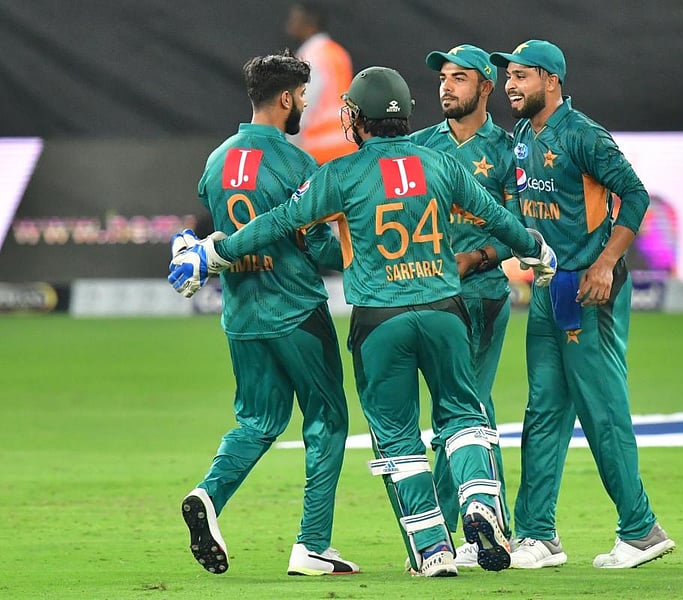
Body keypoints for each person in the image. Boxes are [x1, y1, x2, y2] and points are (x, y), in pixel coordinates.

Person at [168, 65, 558, 578]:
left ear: (358, 117)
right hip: (444, 312)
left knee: (398, 440)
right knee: (463, 417)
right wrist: (537, 249)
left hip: (379, 324)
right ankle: (480, 505)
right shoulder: (440, 163)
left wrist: (215, 253)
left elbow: (279, 223)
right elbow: (499, 218)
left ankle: (432, 552)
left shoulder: (339, 174)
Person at [488, 40, 676, 569]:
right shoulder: (523, 135)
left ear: (551, 80)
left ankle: (640, 529)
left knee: (601, 408)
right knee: (543, 409)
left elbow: (635, 195)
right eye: (508, 77)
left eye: (521, 76)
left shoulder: (584, 136)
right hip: (550, 285)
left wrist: (603, 264)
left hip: (588, 287)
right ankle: (538, 534)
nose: (511, 85)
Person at [177, 50, 359, 577]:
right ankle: (312, 545)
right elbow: (321, 249)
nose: (305, 103)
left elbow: (215, 227)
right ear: (285, 98)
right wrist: (358, 243)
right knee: (327, 419)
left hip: (241, 313)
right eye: (302, 96)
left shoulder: (216, 160)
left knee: (258, 420)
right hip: (296, 310)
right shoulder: (294, 162)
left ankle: (208, 495)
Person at [409, 44, 517, 569]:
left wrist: (477, 256)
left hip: (481, 297)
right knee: (466, 408)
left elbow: (522, 228)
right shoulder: (418, 146)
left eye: (459, 78)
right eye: (443, 78)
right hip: (427, 297)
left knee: (462, 408)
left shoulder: (507, 150)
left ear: (486, 88)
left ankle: (448, 531)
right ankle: (489, 521)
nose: (446, 87)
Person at [285, 1, 357, 164]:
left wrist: (289, 151)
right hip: (346, 147)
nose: (290, 22)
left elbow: (302, 107)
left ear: (310, 22)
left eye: (295, 18)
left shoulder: (310, 57)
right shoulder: (338, 53)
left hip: (318, 153)